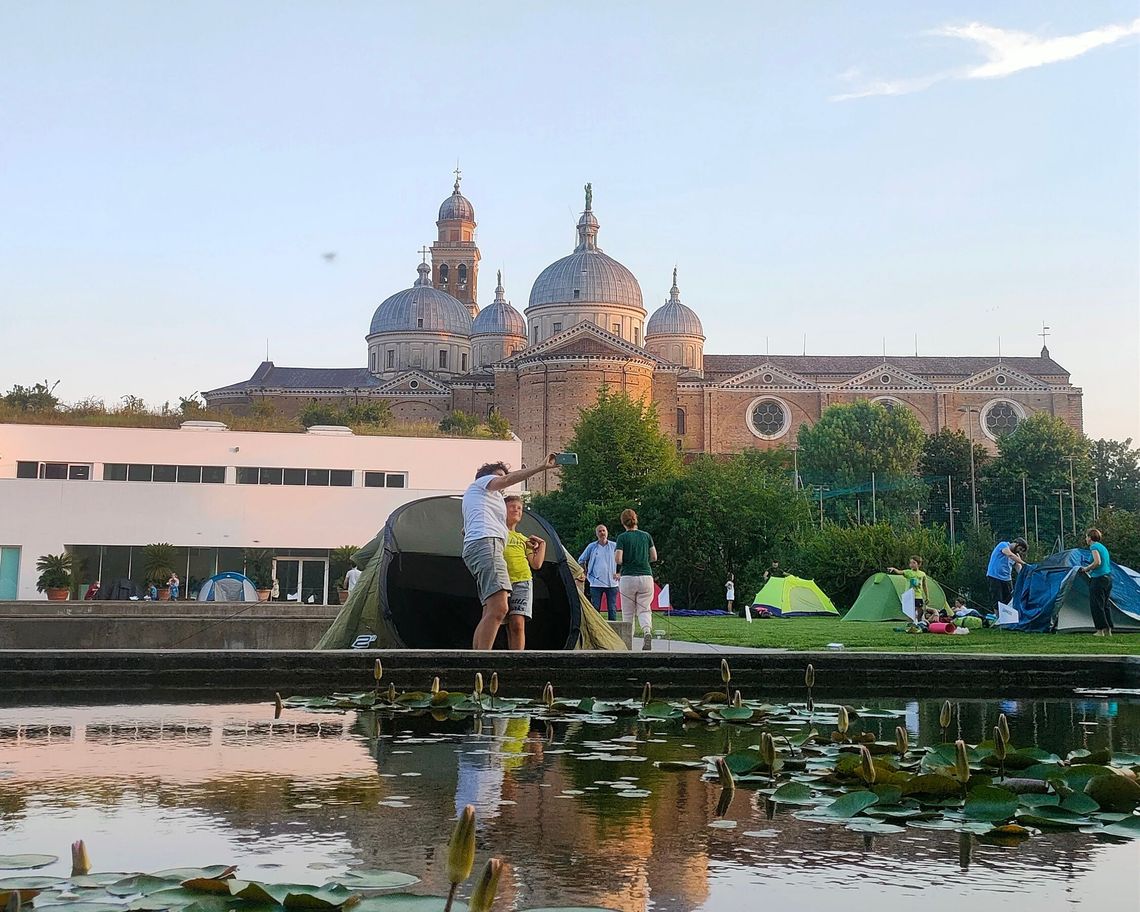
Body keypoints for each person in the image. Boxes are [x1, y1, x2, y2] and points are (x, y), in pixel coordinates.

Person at [462, 456, 556, 650]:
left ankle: (476, 661)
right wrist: (541, 466)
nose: (503, 480)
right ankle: (481, 664)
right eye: (498, 476)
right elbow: (505, 481)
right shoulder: (481, 484)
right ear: (486, 477)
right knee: (500, 607)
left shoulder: (483, 501)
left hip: (482, 545)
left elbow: (468, 528)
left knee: (490, 608)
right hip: (487, 544)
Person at [503, 494, 547, 650]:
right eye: (513, 507)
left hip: (522, 581)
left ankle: (517, 660)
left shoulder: (523, 539)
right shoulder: (496, 532)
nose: (517, 510)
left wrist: (542, 544)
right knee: (503, 621)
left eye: (520, 508)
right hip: (502, 581)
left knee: (517, 623)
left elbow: (536, 564)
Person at [615, 508, 657, 651]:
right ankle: (647, 631)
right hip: (646, 577)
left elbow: (618, 559)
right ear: (636, 519)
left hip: (628, 577)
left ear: (623, 522)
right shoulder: (646, 536)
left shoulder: (622, 537)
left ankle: (627, 644)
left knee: (628, 612)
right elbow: (654, 557)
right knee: (645, 609)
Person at [578, 525, 619, 620]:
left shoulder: (614, 546)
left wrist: (619, 573)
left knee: (612, 608)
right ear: (597, 534)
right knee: (595, 608)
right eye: (599, 531)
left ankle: (612, 632)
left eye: (604, 531)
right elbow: (581, 560)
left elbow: (624, 560)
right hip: (595, 583)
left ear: (607, 532)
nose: (602, 533)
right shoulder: (592, 547)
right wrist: (585, 572)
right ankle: (596, 630)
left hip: (612, 584)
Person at [1080, 528, 1113, 637]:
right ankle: (1108, 630)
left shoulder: (1093, 546)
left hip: (1098, 579)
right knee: (1105, 605)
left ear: (1090, 538)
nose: (1086, 539)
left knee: (1097, 605)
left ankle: (1100, 630)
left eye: (1086, 537)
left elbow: (1097, 562)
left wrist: (1087, 569)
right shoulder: (1102, 547)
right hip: (1107, 578)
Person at [985, 537, 1028, 615]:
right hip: (995, 576)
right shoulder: (1004, 545)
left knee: (1009, 600)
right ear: (1017, 544)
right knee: (997, 599)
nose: (1020, 552)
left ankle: (1008, 618)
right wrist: (1024, 563)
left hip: (1007, 579)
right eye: (1020, 549)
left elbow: (1018, 567)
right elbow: (1009, 554)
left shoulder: (1016, 556)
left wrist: (1023, 575)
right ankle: (998, 618)